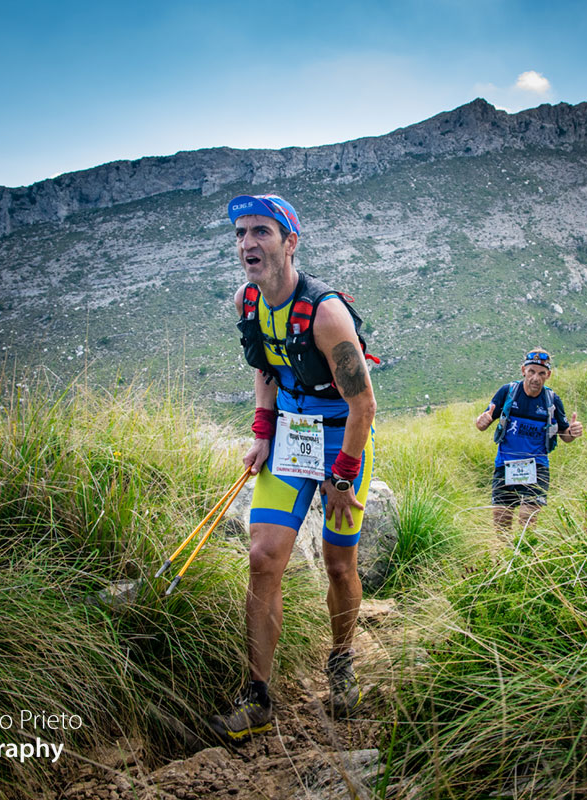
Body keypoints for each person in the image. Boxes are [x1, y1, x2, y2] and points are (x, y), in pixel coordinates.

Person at [207, 194, 378, 744]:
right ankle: (257, 695)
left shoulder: (326, 312)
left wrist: (345, 476)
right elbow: (266, 368)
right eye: (240, 233)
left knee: (337, 563)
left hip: (341, 441)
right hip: (288, 440)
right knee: (262, 558)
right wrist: (261, 434)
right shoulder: (247, 302)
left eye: (261, 231)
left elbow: (364, 405)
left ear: (289, 242)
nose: (247, 243)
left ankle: (342, 661)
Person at [475, 348, 583, 532]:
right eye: (531, 372)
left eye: (541, 373)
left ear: (548, 375)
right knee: (501, 523)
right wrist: (481, 421)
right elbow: (483, 422)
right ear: (523, 370)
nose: (536, 378)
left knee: (527, 519)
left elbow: (565, 436)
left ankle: (526, 554)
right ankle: (505, 558)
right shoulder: (508, 392)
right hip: (506, 464)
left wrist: (572, 432)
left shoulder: (552, 400)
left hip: (537, 466)